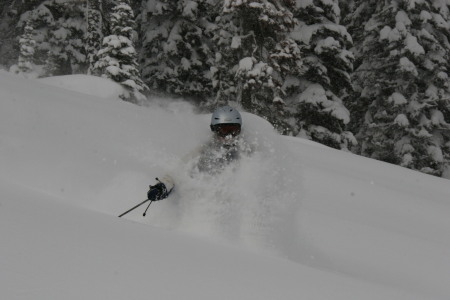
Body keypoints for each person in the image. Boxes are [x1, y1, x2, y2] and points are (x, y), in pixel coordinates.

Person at [147, 105, 244, 202]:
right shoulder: (204, 150)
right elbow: (178, 171)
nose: (229, 136)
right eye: (224, 131)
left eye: (233, 130)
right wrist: (163, 187)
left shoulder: (245, 151)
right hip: (207, 201)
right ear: (215, 130)